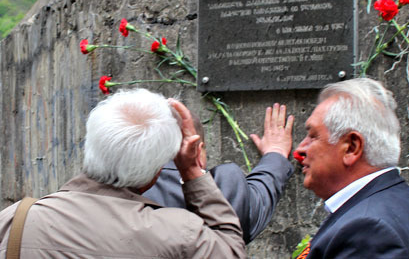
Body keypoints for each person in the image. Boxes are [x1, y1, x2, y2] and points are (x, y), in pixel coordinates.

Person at [0, 89, 246, 258]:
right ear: (155, 172)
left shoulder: (14, 220)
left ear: (91, 146)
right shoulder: (180, 233)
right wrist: (192, 171)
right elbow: (232, 251)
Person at [294, 78, 409, 259]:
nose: (299, 150)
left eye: (313, 136)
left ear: (351, 147)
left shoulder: (369, 231)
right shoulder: (395, 203)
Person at [144, 102, 295, 243]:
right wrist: (276, 153)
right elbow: (259, 197)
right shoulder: (224, 186)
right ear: (197, 151)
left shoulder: (124, 199)